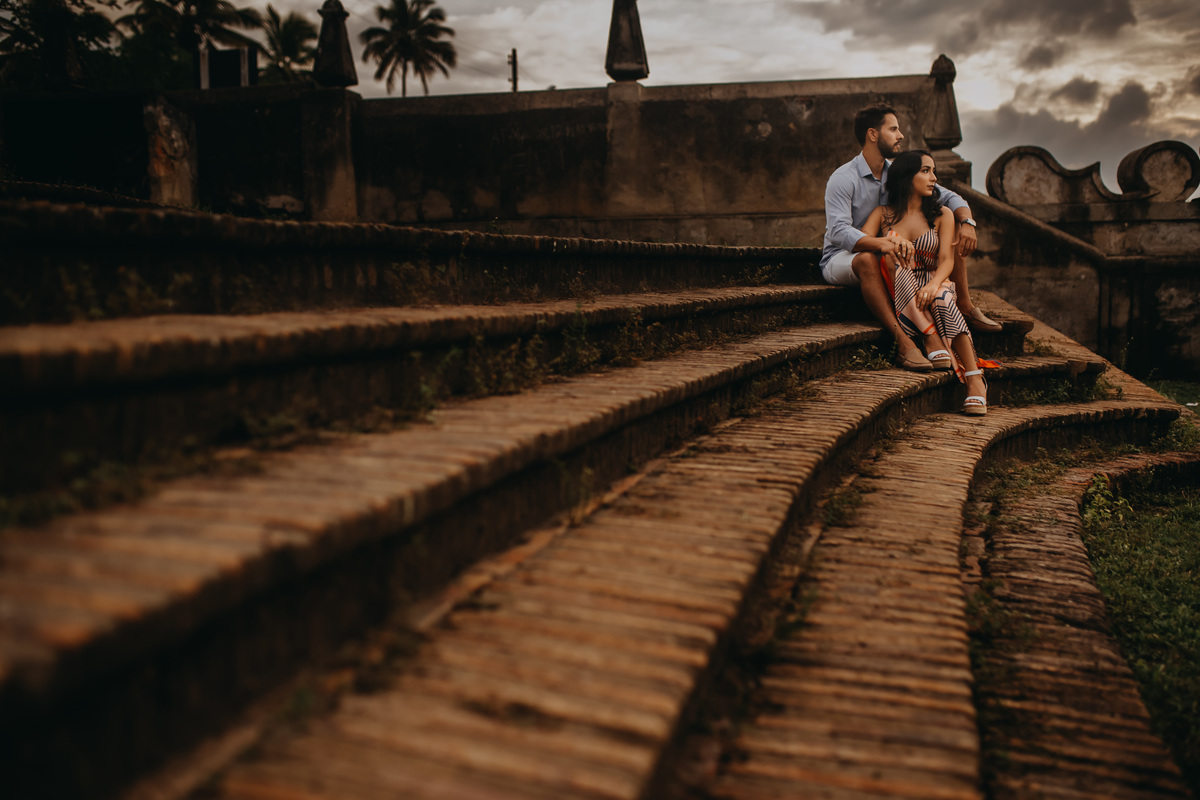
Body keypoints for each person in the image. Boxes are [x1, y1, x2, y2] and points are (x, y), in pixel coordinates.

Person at [820, 105, 1001, 372]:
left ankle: (964, 305)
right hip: (842, 257)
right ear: (873, 134)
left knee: (947, 239)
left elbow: (951, 197)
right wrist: (885, 242)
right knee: (869, 258)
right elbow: (838, 232)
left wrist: (967, 222)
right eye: (893, 129)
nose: (900, 135)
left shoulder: (898, 173)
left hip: (889, 252)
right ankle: (904, 343)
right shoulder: (844, 178)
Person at [861, 149, 988, 414]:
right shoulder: (882, 214)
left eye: (934, 171)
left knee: (942, 298)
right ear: (907, 176)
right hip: (901, 281)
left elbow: (947, 261)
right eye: (926, 171)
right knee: (897, 259)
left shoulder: (942, 214)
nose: (934, 178)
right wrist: (889, 240)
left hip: (935, 280)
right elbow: (860, 241)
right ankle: (929, 337)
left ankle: (975, 379)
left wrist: (933, 285)